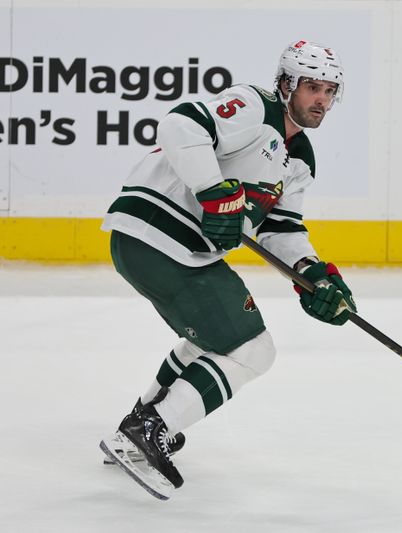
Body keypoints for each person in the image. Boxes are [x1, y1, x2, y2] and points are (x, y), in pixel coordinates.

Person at [99, 40, 357, 501]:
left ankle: (140, 421)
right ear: (285, 84)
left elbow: (281, 226)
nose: (322, 99)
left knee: (215, 338)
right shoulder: (255, 107)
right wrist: (212, 188)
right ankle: (151, 429)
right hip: (159, 237)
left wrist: (312, 272)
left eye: (330, 90)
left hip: (174, 250)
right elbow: (182, 124)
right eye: (312, 87)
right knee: (254, 349)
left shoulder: (302, 158)